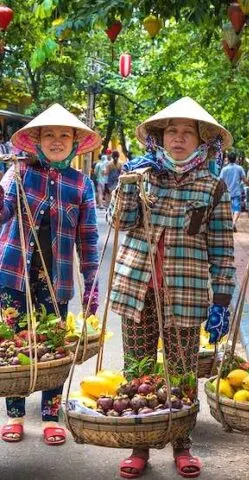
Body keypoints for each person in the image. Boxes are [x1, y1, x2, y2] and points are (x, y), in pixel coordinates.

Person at [107, 96, 236, 479]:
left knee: (181, 371)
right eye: (171, 132)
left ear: (201, 141)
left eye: (187, 133)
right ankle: (139, 444)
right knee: (138, 368)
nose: (178, 139)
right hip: (137, 288)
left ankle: (182, 443)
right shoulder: (140, 174)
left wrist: (223, 300)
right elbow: (119, 221)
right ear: (159, 138)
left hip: (187, 290)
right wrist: (127, 181)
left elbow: (223, 248)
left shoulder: (212, 187)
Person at [0, 104, 100, 445]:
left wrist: (91, 285)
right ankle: (14, 415)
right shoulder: (19, 173)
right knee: (13, 346)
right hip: (13, 274)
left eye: (63, 135)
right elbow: (3, 213)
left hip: (56, 280)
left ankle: (49, 416)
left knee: (54, 349)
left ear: (74, 143)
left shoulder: (81, 184)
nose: (56, 141)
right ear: (36, 141)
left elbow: (88, 238)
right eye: (48, 135)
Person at [220, 151, 249, 231]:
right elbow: (244, 179)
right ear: (235, 159)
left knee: (227, 209)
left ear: (228, 159)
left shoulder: (224, 169)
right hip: (236, 192)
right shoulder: (239, 168)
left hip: (226, 193)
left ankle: (229, 224)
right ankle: (233, 223)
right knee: (237, 209)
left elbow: (221, 181)